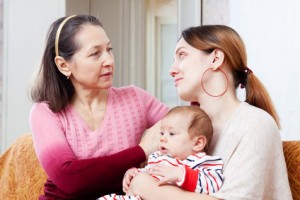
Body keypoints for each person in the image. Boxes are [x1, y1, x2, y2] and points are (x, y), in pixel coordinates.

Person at [125, 25, 293, 200]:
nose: (172, 69)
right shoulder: (181, 129)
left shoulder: (256, 124)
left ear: (215, 59)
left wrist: (144, 186)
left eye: (182, 55)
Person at [29, 14, 169, 200]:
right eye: (95, 53)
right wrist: (141, 151)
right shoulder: (45, 112)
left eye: (109, 50)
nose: (109, 61)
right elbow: (70, 179)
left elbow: (188, 128)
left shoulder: (136, 99)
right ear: (63, 65)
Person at [99, 106, 223, 200]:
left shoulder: (200, 161)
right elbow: (149, 173)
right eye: (162, 133)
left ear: (197, 143)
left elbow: (213, 184)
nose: (163, 138)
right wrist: (133, 173)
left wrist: (182, 174)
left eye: (172, 134)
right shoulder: (158, 158)